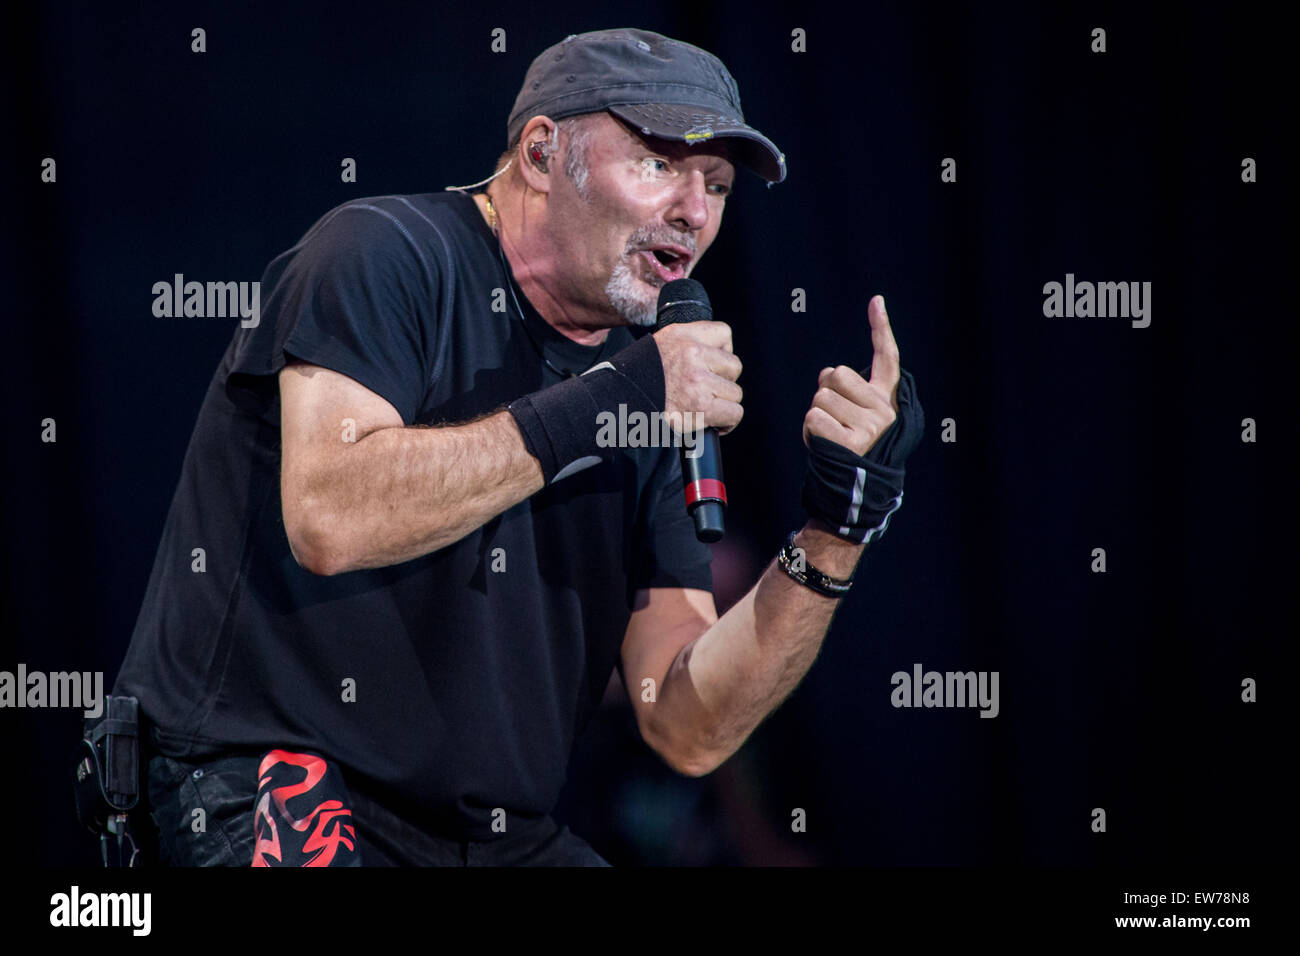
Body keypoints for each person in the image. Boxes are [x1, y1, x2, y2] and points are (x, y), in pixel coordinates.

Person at [111, 27, 922, 867]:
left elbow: (686, 723)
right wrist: (620, 393)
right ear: (541, 152)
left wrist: (835, 532)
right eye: (660, 165)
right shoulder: (384, 255)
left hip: (488, 837)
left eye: (715, 185)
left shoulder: (646, 381)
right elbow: (330, 515)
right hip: (275, 782)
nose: (695, 209)